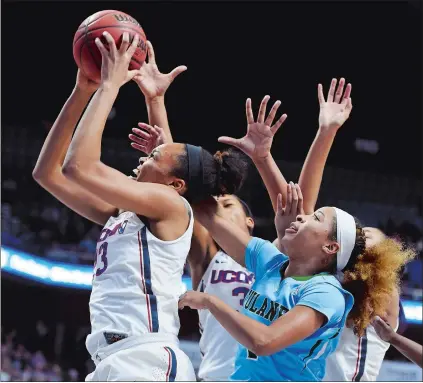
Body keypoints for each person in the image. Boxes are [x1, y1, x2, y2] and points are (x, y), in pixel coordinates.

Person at [33, 33, 247, 381]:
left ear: (176, 186)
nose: (142, 159)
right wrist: (81, 92)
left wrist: (109, 87)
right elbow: (48, 173)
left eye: (152, 156)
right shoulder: (123, 214)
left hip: (145, 359)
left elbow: (78, 166)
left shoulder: (172, 206)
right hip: (113, 360)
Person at [130, 92, 289, 381]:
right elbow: (177, 182)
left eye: (228, 205)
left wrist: (264, 158)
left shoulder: (276, 261)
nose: (220, 209)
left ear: (249, 221)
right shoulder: (209, 258)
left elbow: (291, 211)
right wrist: (155, 100)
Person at [277, 78, 415, 381]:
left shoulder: (374, 300)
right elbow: (301, 213)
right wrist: (326, 131)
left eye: (369, 238)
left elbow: (303, 212)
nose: (365, 237)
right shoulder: (322, 283)